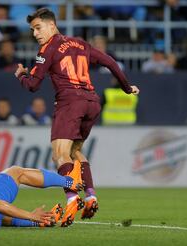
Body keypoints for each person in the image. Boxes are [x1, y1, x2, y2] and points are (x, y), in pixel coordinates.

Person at [14, 8, 139, 226]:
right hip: (92, 102)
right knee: (75, 151)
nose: (35, 33)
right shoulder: (80, 44)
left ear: (51, 25)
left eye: (38, 28)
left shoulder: (47, 48)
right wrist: (127, 88)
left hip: (70, 102)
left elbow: (33, 85)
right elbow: (110, 62)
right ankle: (90, 196)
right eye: (32, 29)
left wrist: (22, 75)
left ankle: (72, 199)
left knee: (59, 155)